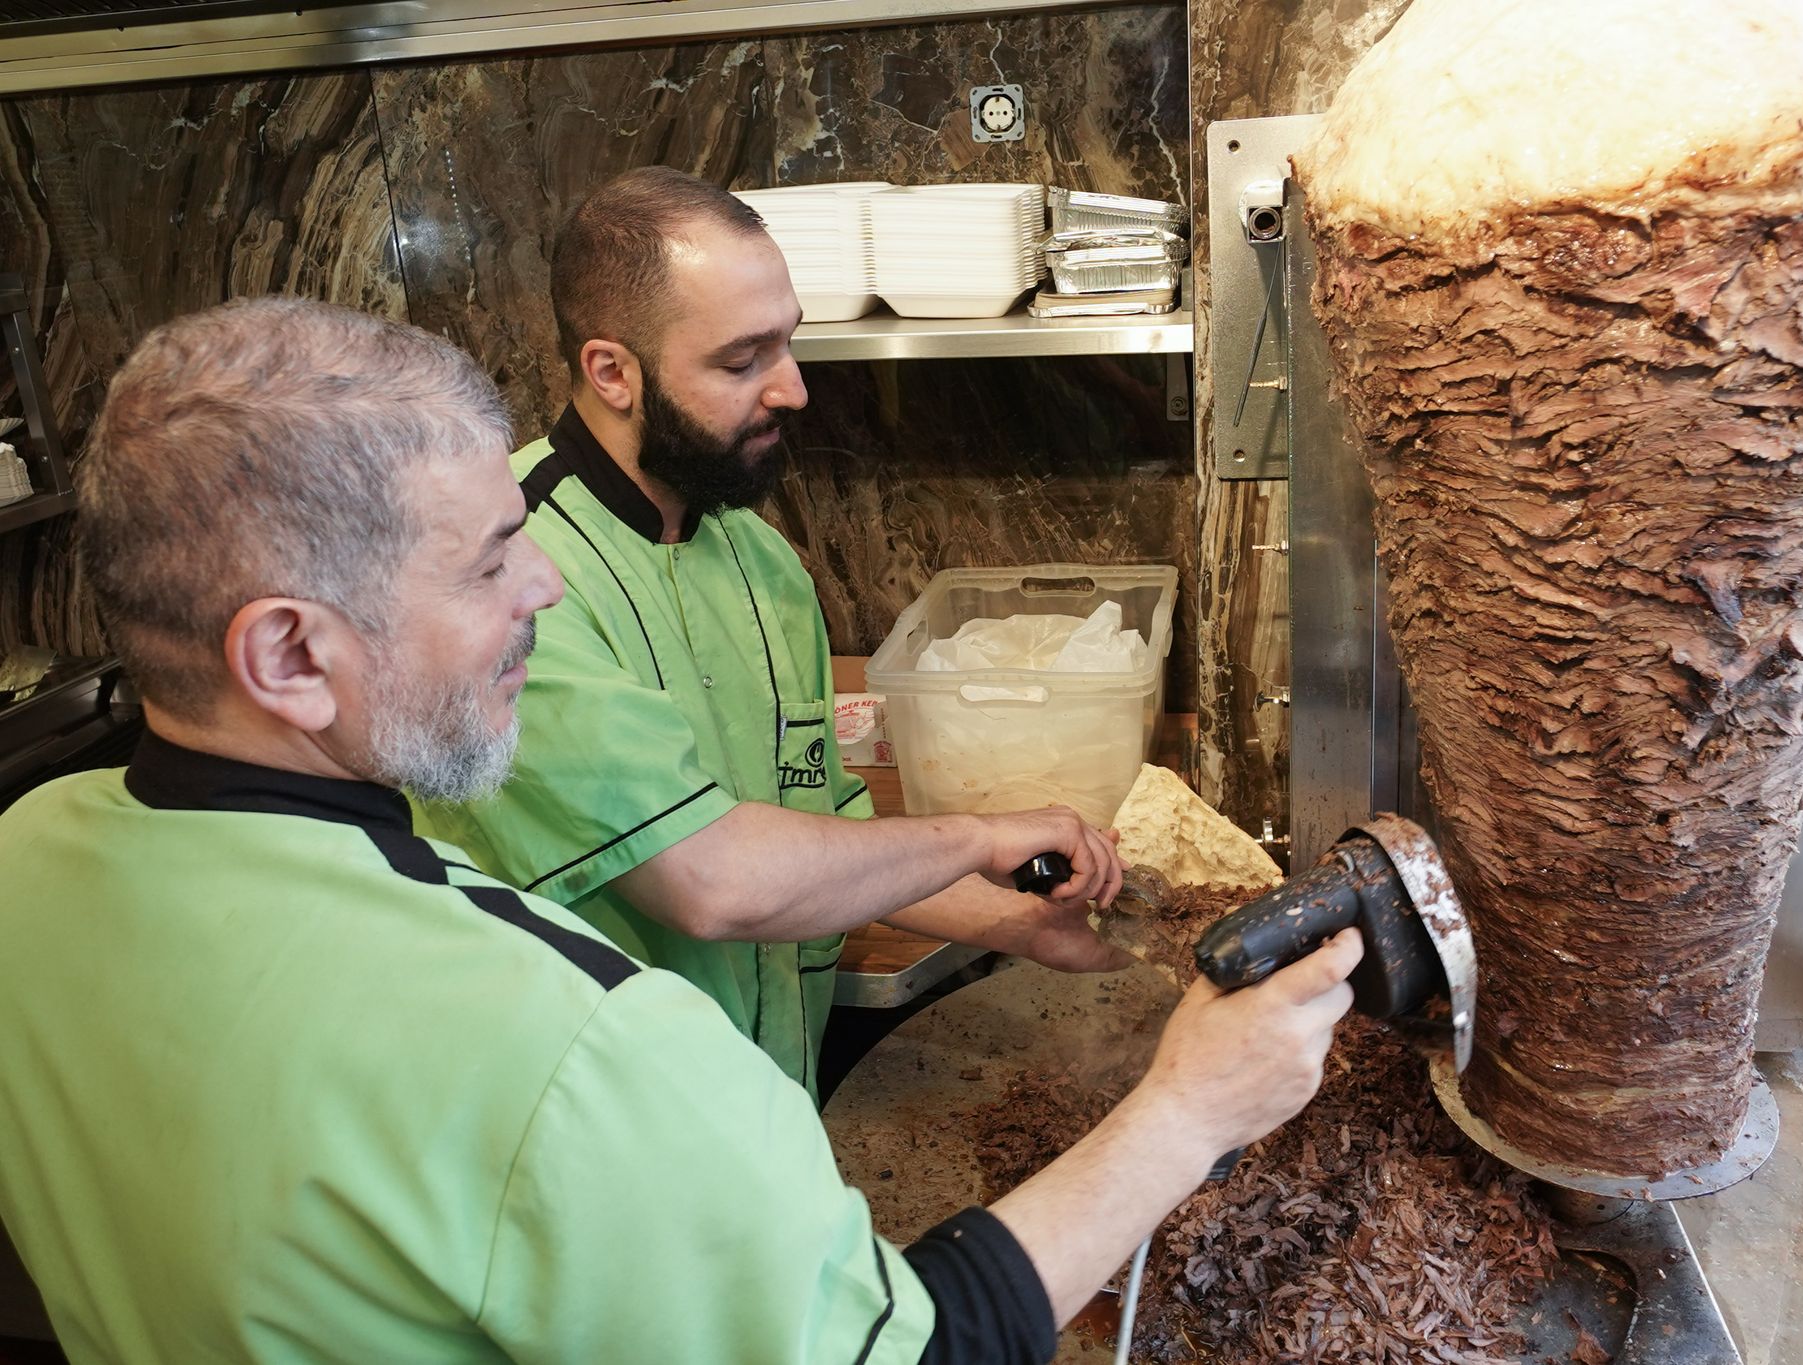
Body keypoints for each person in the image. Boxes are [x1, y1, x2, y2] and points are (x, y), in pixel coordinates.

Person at [0, 298, 1363, 1364]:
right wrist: (1189, 1109)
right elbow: (913, 1346)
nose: (544, 583)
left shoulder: (29, 856)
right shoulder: (567, 1044)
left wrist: (1001, 912)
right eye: (486, 560)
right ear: (290, 655)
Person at [417, 166, 1131, 1097]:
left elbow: (824, 831)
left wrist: (1023, 922)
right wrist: (978, 836)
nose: (792, 389)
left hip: (763, 1101)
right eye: (741, 361)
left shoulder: (762, 562)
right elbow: (711, 881)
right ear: (611, 372)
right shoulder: (506, 577)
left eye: (788, 343)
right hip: (594, 1114)